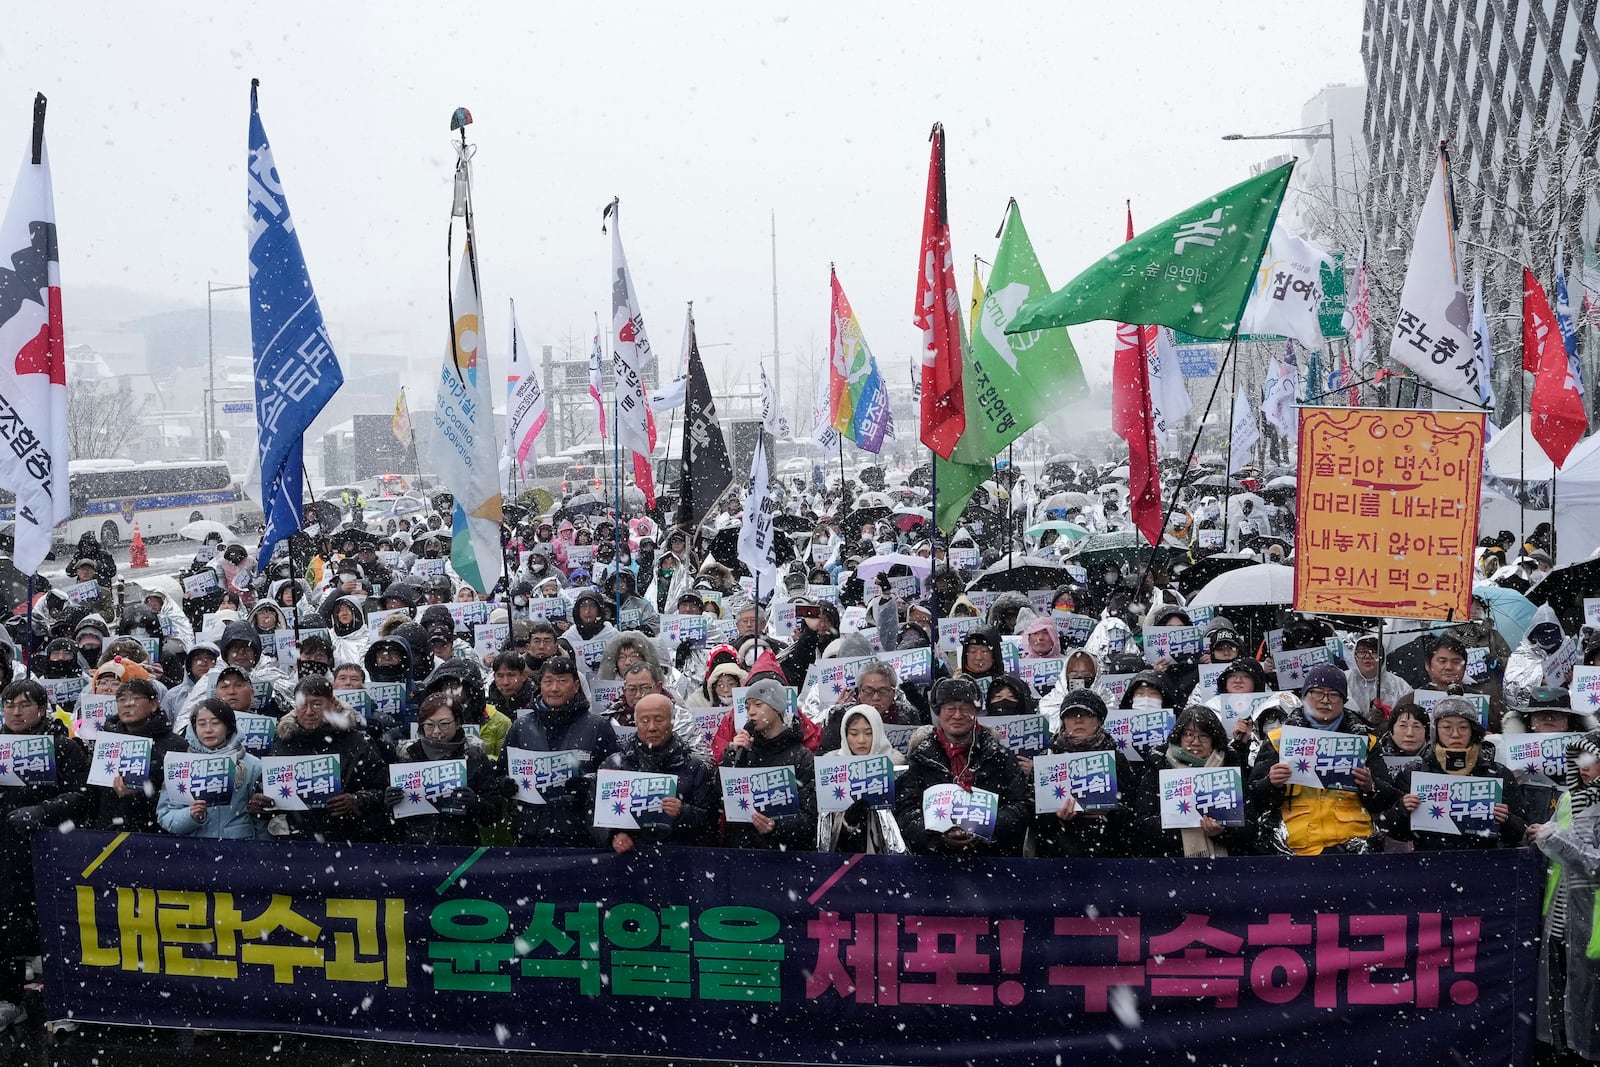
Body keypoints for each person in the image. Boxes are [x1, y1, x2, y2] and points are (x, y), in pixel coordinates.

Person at [0, 680, 90, 1030]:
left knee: (54, 925)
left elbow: (81, 797)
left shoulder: (63, 747)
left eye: (24, 705)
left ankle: (62, 999)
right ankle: (9, 999)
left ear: (41, 708)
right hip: (6, 851)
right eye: (10, 705)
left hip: (47, 850)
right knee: (5, 927)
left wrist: (44, 810)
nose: (16, 712)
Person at [1249, 663, 1398, 856]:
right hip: (1296, 851)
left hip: (1354, 851)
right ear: (1304, 696)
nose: (1325, 701)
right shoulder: (1278, 740)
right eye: (1317, 693)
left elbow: (1390, 801)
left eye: (1334, 695)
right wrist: (1271, 784)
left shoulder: (1366, 743)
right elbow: (1252, 800)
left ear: (1344, 700)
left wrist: (1371, 787)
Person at [1526, 730, 1600, 1061]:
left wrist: (1554, 839)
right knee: (1562, 994)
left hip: (1593, 924)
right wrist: (1540, 834)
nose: (1584, 766)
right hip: (1560, 918)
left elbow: (1593, 862)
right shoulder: (1571, 797)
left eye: (1593, 759)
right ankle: (1565, 1049)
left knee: (1589, 1001)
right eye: (1579, 758)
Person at [894, 677, 1030, 857]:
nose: (957, 716)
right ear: (938, 712)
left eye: (965, 709)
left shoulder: (999, 755)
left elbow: (1020, 806)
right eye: (950, 709)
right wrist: (937, 836)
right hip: (934, 862)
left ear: (975, 712)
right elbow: (906, 810)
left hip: (993, 859)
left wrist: (984, 828)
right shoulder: (920, 757)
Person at [250, 676, 392, 844]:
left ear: (331, 702)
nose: (309, 711)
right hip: (292, 843)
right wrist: (259, 804)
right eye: (303, 705)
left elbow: (383, 791)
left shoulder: (358, 742)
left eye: (317, 704)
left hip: (349, 840)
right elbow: (265, 794)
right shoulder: (282, 743)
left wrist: (356, 801)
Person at [503, 656, 618, 847]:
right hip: (530, 834)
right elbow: (501, 772)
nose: (554, 688)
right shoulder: (521, 727)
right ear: (540, 685)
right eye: (548, 681)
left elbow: (613, 779)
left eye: (562, 681)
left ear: (575, 685)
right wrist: (505, 785)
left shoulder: (597, 726)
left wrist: (588, 784)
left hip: (581, 834)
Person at [1391, 696, 1524, 850]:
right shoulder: (1415, 771)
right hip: (1428, 864)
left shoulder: (1498, 773)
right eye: (1447, 727)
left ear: (1473, 731)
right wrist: (1401, 809)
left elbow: (1521, 832)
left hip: (1484, 864)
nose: (1455, 734)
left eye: (1463, 727)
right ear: (1435, 732)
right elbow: (1394, 831)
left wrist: (1507, 820)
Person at [386, 691, 510, 845]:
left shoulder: (473, 756)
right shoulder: (408, 756)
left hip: (461, 847)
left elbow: (495, 811)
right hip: (414, 847)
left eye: (444, 724)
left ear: (457, 723)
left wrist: (476, 803)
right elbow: (391, 818)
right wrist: (390, 803)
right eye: (429, 725)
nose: (437, 731)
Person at [598, 694, 717, 851]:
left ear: (672, 722)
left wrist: (683, 813)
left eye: (659, 720)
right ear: (636, 723)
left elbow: (711, 821)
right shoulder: (615, 765)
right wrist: (613, 835)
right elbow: (596, 813)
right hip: (628, 859)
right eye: (645, 721)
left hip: (680, 860)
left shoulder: (694, 767)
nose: (652, 727)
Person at [1134, 705, 1255, 858]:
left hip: (1224, 867)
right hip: (1173, 864)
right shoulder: (1159, 766)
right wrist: (1181, 828)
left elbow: (1250, 826)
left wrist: (1222, 832)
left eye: (1203, 736)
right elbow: (1143, 823)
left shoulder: (1228, 766)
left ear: (1214, 739)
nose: (1195, 742)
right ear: (1179, 736)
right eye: (1189, 734)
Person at [1032, 689, 1136, 859]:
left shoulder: (1116, 759)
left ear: (1099, 720)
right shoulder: (1048, 758)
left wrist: (1109, 812)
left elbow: (1133, 810)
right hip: (1058, 854)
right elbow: (1032, 811)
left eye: (1086, 714)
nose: (1078, 720)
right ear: (1063, 721)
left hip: (1109, 853)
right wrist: (1056, 816)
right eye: (1072, 715)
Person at [718, 677, 817, 851]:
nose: (751, 713)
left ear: (777, 708)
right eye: (747, 707)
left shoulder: (802, 757)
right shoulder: (744, 751)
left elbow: (810, 819)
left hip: (786, 857)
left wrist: (776, 826)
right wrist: (732, 756)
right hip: (742, 853)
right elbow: (718, 798)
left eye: (758, 705)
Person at [156, 698, 265, 839]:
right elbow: (166, 815)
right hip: (194, 850)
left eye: (215, 723)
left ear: (228, 726)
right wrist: (190, 815)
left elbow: (262, 819)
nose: (208, 730)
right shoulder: (181, 764)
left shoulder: (252, 765)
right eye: (201, 724)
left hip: (239, 848)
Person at [816, 704, 908, 854]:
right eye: (853, 733)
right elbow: (824, 828)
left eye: (869, 733)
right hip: (845, 857)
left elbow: (904, 817)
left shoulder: (896, 768)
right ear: (844, 736)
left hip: (887, 859)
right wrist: (848, 823)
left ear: (878, 733)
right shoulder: (832, 768)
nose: (861, 740)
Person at [817, 659, 918, 754]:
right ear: (860, 691)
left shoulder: (908, 714)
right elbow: (825, 757)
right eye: (869, 691)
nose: (876, 697)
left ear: (893, 692)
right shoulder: (841, 715)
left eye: (883, 691)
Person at [1343, 635, 1411, 721]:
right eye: (1362, 651)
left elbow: (1410, 711)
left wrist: (1389, 717)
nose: (1367, 656)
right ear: (1355, 656)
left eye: (1374, 652)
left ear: (1382, 657)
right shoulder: (1343, 679)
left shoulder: (1399, 685)